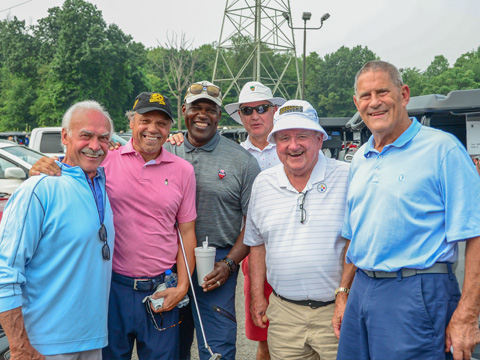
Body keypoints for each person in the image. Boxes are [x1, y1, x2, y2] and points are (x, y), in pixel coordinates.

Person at [29, 92, 197, 360]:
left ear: (169, 129)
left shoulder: (183, 170)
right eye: (145, 120)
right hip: (110, 289)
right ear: (131, 123)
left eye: (162, 123)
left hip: (160, 289)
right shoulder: (106, 159)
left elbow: (186, 232)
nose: (153, 129)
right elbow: (70, 168)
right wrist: (44, 166)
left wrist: (183, 287)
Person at [336, 60, 480, 360]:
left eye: (382, 92)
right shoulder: (361, 158)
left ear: (403, 94)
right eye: (365, 95)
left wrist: (467, 315)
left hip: (416, 291)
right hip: (362, 287)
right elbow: (354, 235)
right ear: (356, 103)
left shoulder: (444, 150)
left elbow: (475, 234)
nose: (374, 102)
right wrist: (343, 293)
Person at [0, 100, 115, 359]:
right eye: (85, 135)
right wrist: (20, 348)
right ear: (65, 135)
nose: (95, 146)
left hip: (92, 342)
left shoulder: (101, 185)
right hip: (44, 347)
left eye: (103, 138)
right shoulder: (38, 189)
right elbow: (5, 273)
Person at [244, 100, 350, 360]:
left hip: (336, 313)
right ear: (275, 144)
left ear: (319, 139)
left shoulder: (348, 176)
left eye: (302, 136)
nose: (293, 146)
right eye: (284, 138)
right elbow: (256, 244)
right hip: (284, 315)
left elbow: (355, 241)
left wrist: (344, 295)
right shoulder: (263, 182)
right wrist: (258, 297)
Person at [163, 80, 261, 360]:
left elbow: (252, 225)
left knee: (217, 349)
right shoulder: (166, 151)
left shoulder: (242, 162)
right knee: (168, 348)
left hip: (216, 262)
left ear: (219, 116)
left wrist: (230, 263)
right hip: (169, 260)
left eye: (210, 109)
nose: (202, 114)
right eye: (196, 107)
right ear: (184, 111)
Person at [224, 81, 285, 359]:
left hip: (295, 246)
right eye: (247, 110)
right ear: (241, 116)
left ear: (274, 110)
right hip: (254, 252)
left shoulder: (293, 145)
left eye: (261, 108)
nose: (255, 115)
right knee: (265, 335)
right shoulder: (234, 155)